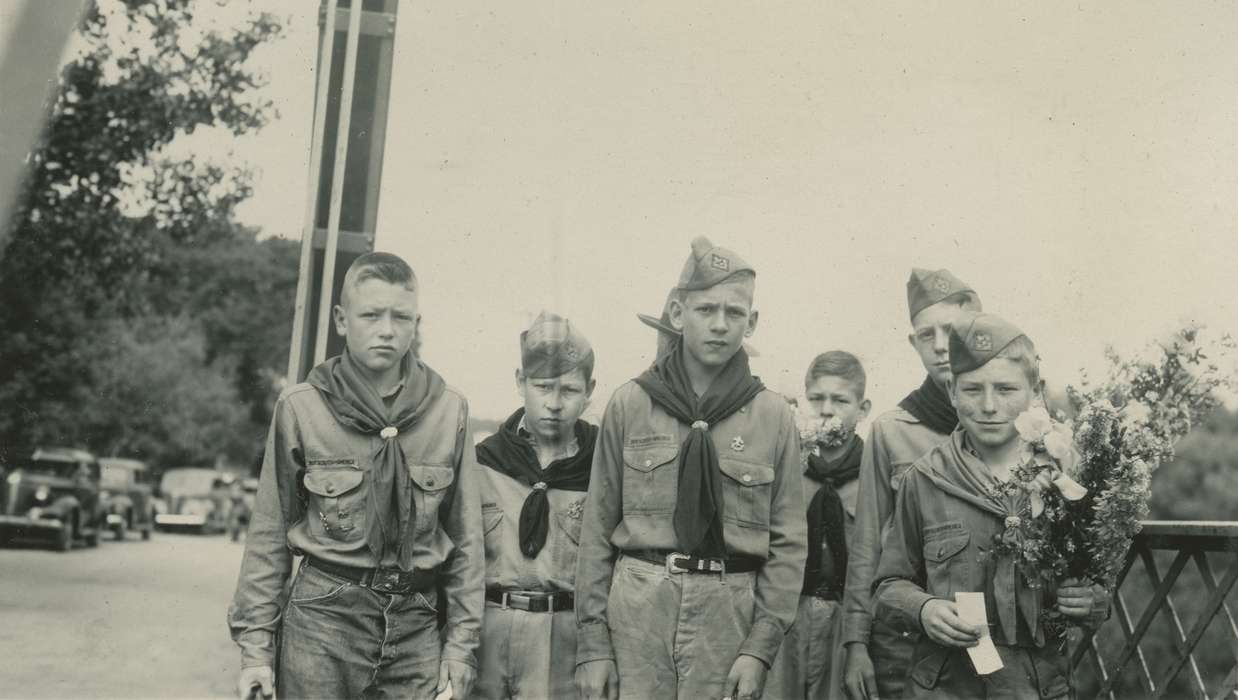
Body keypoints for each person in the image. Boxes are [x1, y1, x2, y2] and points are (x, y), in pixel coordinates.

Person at [227, 252, 483, 699]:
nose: (387, 329)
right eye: (371, 315)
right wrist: (256, 651)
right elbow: (269, 534)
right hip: (324, 621)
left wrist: (460, 648)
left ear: (416, 322)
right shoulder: (302, 407)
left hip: (417, 623)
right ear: (342, 321)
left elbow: (467, 542)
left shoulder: (449, 411)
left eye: (401, 317)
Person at [574, 237, 806, 700]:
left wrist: (759, 648)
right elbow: (597, 530)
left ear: (752, 322)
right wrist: (593, 645)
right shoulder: (630, 404)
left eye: (735, 313)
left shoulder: (773, 415)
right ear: (678, 314)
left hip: (730, 610)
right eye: (706, 310)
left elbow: (788, 544)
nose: (720, 325)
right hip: (639, 605)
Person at [872, 314, 1106, 698]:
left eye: (1006, 389)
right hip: (949, 688)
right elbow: (887, 585)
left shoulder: (1069, 474)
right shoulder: (925, 479)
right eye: (972, 389)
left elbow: (1097, 579)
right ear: (951, 391)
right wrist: (924, 609)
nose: (988, 405)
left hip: (1041, 687)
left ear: (1035, 390)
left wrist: (1092, 601)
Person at [842, 268, 982, 700]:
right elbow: (867, 545)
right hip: (904, 644)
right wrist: (855, 645)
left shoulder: (1011, 424)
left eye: (951, 330)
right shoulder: (892, 431)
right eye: (926, 335)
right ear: (913, 343)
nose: (940, 346)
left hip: (987, 643)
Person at [473, 312, 599, 699]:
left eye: (569, 390)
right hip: (489, 631)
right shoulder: (482, 462)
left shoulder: (601, 466)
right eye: (543, 387)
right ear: (520, 382)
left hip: (565, 639)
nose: (555, 404)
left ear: (590, 389)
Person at [767, 351, 871, 699]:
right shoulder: (789, 466)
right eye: (816, 399)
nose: (826, 409)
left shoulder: (873, 473)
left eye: (840, 400)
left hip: (847, 620)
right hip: (788, 616)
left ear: (863, 408)